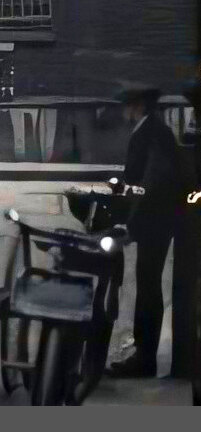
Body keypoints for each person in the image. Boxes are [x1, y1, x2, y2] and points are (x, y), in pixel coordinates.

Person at [107, 82, 188, 379]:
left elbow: (152, 184)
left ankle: (144, 359)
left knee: (148, 287)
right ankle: (144, 355)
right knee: (147, 285)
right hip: (157, 218)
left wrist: (132, 225)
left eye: (127, 104)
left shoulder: (151, 132)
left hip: (156, 220)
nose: (124, 110)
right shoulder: (152, 129)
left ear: (138, 105)